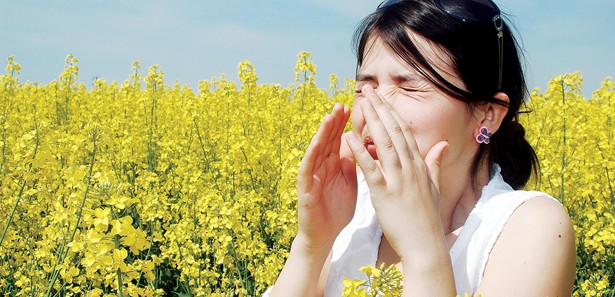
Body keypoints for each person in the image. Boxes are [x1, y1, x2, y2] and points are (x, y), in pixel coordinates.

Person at [266, 0, 576, 296]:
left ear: (488, 114)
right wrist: (312, 244)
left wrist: (422, 252)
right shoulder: (354, 211)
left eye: (409, 87)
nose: (374, 107)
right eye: (365, 87)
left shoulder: (530, 227)